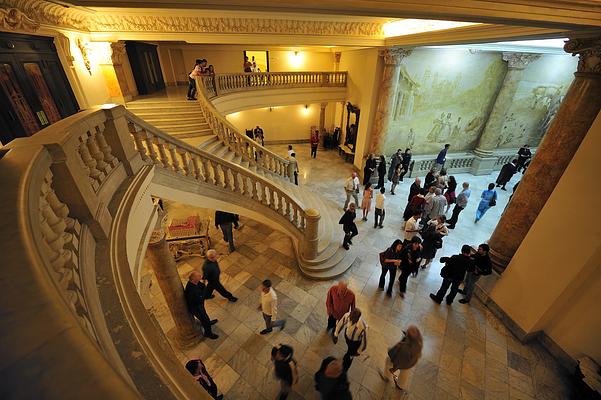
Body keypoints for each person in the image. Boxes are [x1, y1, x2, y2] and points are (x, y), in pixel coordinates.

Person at [379, 325, 423, 393]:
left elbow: (399, 361)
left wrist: (393, 369)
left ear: (408, 337)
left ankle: (386, 377)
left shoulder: (404, 348)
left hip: (400, 361)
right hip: (411, 363)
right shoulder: (419, 342)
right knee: (404, 373)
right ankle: (400, 385)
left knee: (388, 362)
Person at [184, 271, 218, 339]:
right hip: (196, 307)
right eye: (198, 276)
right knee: (204, 319)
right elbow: (200, 297)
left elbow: (203, 287)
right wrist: (204, 293)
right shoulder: (192, 290)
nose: (200, 276)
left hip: (199, 303)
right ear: (193, 279)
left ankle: (208, 322)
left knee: (205, 318)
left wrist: (203, 292)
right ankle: (208, 333)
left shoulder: (196, 282)